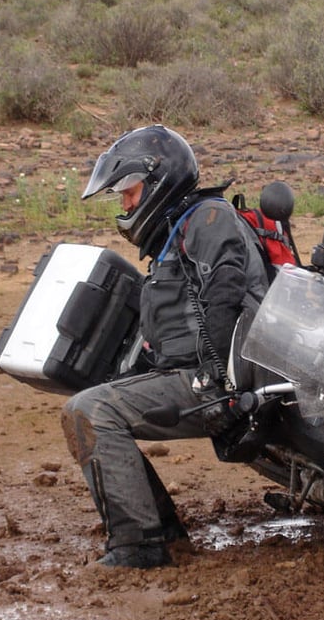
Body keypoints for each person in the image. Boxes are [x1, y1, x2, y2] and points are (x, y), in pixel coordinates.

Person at [61, 125, 270, 569]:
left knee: (91, 411)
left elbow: (226, 289)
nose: (126, 205)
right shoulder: (181, 230)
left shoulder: (208, 218)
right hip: (212, 376)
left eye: (129, 192)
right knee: (98, 398)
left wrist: (218, 380)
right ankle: (167, 537)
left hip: (223, 383)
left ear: (157, 181)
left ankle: (140, 545)